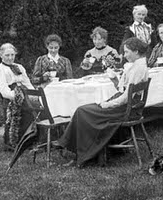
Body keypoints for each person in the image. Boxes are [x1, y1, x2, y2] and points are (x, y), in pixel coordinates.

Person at [55, 37, 150, 167]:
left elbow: (125, 98)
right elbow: (124, 91)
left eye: (127, 52)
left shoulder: (138, 69)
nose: (125, 55)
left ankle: (79, 151)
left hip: (125, 110)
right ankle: (74, 147)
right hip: (127, 106)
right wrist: (114, 79)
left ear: (136, 51)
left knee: (83, 111)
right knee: (84, 110)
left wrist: (107, 104)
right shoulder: (137, 66)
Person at [0, 43, 36, 150]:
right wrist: (18, 97)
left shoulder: (19, 67)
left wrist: (33, 95)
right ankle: (13, 144)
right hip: (11, 99)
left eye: (12, 55)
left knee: (30, 116)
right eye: (7, 55)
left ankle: (29, 142)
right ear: (1, 55)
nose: (10, 58)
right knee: (14, 120)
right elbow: (4, 91)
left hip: (24, 93)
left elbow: (27, 82)